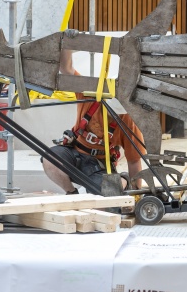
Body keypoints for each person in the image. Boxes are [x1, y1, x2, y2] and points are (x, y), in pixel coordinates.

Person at [42, 36, 146, 195]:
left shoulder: (128, 120)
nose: (116, 116)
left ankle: (121, 181)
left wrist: (136, 194)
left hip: (99, 166)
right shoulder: (89, 95)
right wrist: (67, 43)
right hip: (75, 153)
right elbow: (66, 69)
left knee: (109, 191)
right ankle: (71, 194)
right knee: (49, 159)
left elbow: (134, 161)